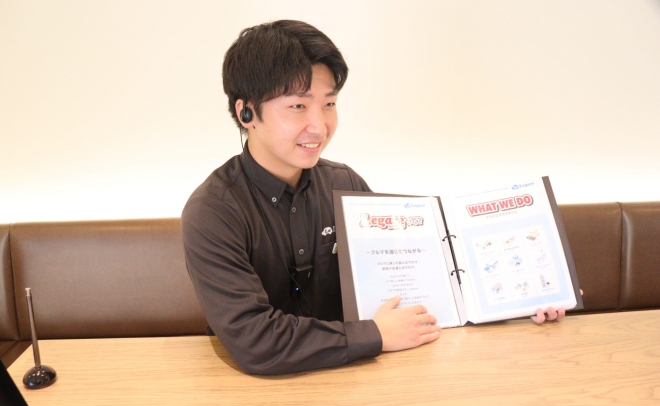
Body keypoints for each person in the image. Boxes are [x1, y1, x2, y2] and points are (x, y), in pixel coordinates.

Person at [182, 20, 565, 375]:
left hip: (360, 379)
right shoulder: (213, 211)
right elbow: (255, 341)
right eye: (298, 106)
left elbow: (411, 284)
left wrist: (518, 299)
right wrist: (375, 335)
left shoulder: (344, 183)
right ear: (247, 112)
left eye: (329, 104)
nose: (320, 126)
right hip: (259, 395)